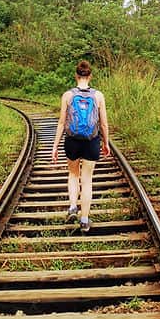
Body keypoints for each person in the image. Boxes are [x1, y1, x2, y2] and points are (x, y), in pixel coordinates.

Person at [51, 60, 110, 233]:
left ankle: (72, 207)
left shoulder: (68, 95)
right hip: (91, 142)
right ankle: (84, 220)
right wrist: (105, 142)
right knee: (87, 180)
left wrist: (55, 146)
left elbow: (62, 123)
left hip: (72, 141)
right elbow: (104, 124)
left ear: (76, 76)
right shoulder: (98, 96)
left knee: (73, 174)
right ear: (89, 76)